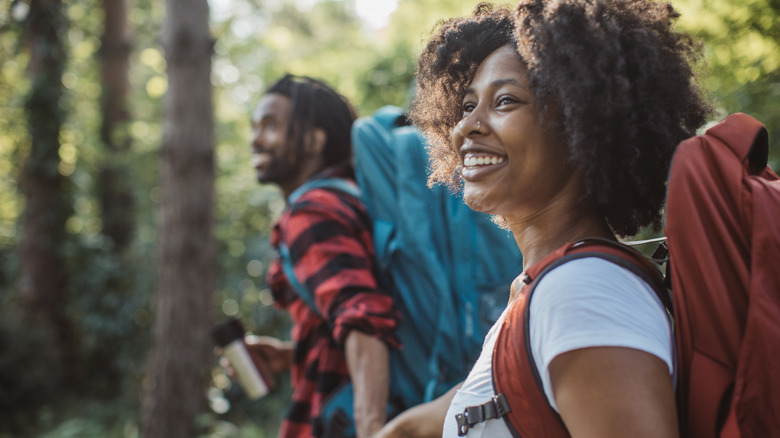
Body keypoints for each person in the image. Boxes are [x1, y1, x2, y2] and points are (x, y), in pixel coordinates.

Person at [376, 1, 711, 437]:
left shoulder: (582, 292)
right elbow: (424, 423)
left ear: (581, 124)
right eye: (466, 105)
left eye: (505, 100)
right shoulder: (540, 291)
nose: (467, 127)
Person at [245, 74, 401, 438]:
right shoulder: (352, 197)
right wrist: (291, 354)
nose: (255, 139)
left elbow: (363, 317)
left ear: (315, 139)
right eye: (255, 126)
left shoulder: (311, 213)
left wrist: (371, 430)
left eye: (271, 126)